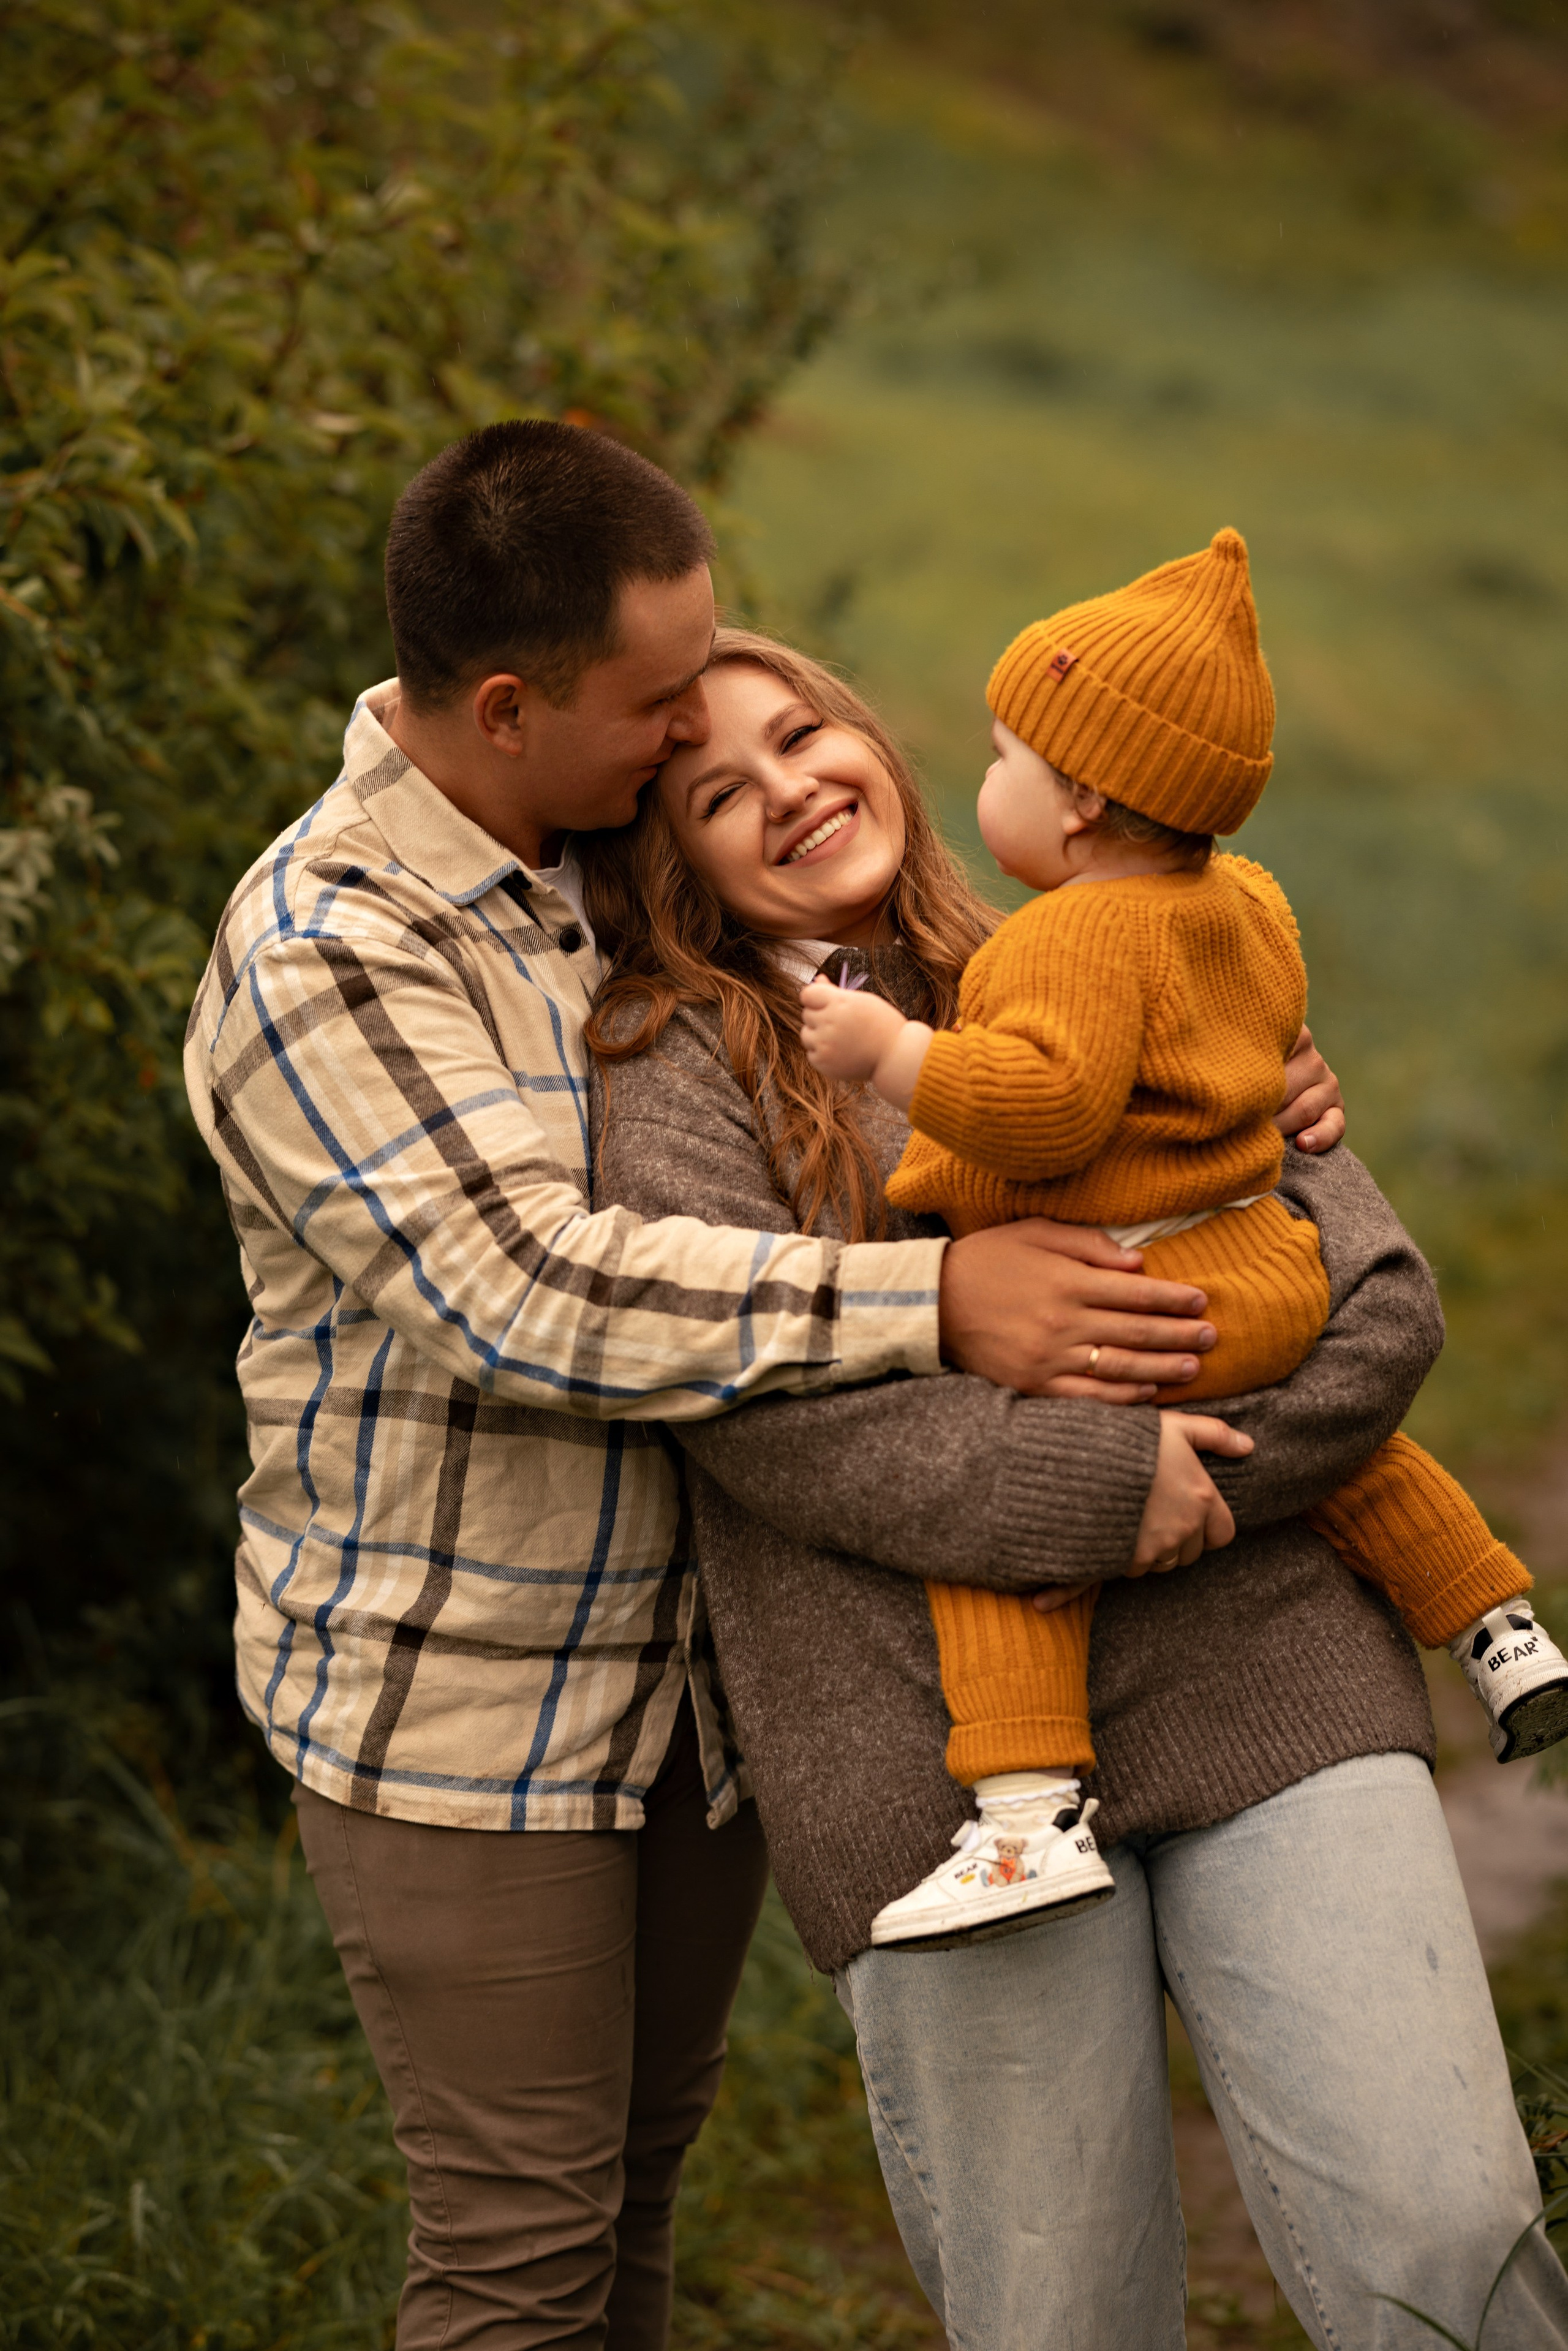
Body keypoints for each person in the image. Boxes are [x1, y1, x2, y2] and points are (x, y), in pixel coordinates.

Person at [182, 418, 1243, 2350]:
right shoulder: (330, 948)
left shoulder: (588, 854)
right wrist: (936, 1299)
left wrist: (1211, 1084)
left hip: (687, 1686)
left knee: (629, 2212)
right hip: (467, 1702)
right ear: (508, 706)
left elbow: (897, 992)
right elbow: (526, 1289)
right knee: (516, 2255)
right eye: (662, 701)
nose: (695, 738)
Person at [581, 624, 1568, 2348]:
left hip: (1269, 1666)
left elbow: (1375, 1303)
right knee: (1063, 2315)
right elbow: (763, 1418)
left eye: (804, 733)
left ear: (872, 735)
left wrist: (1188, 1484)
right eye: (717, 789)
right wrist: (1101, 1481)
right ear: (672, 854)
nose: (789, 790)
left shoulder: (1129, 931)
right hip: (935, 1765)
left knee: (1450, 2232)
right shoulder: (673, 1070)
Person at [797, 528, 1568, 1945]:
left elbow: (1045, 1109)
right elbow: (1256, 1052)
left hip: (1139, 1291)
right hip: (1264, 1268)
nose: (979, 786)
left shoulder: (1058, 940)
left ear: (1081, 797)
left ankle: (1023, 1811)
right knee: (1367, 1465)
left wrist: (891, 1051)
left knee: (1013, 1557)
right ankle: (1495, 1624)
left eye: (999, 758)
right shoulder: (1248, 898)